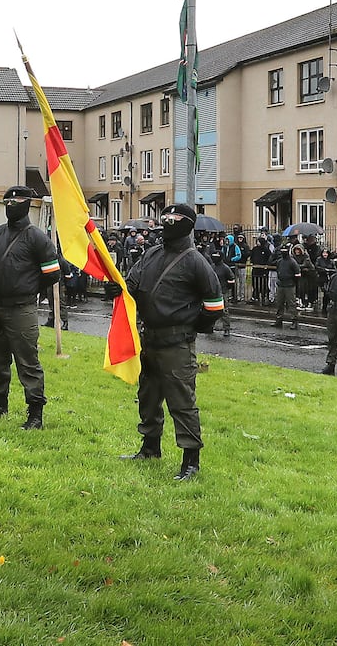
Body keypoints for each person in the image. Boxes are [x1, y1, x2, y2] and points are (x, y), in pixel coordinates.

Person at [119, 203, 224, 480]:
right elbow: (132, 284)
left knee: (182, 403)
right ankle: (150, 447)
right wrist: (116, 286)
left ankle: (191, 461)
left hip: (177, 344)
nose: (168, 221)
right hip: (149, 340)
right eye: (165, 217)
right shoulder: (152, 254)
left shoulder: (196, 261)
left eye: (175, 218)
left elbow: (214, 306)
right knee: (148, 397)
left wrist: (190, 326)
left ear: (188, 224)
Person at [0, 186, 60, 430]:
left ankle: (35, 414)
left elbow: (53, 273)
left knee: (27, 363)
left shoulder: (37, 237)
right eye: (7, 199)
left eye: (16, 200)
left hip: (22, 310)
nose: (11, 203)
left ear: (27, 203)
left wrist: (29, 288)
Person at [273, 243, 306, 329]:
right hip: (281, 285)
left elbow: (298, 274)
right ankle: (279, 319)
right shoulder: (280, 261)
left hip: (289, 286)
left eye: (285, 251)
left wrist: (292, 281)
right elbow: (278, 270)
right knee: (279, 303)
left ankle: (294, 321)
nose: (283, 252)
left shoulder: (292, 262)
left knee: (291, 304)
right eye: (282, 251)